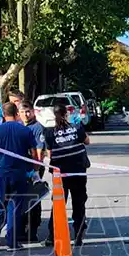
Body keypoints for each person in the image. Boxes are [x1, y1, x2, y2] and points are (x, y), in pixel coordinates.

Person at [0, 102, 38, 251]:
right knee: (14, 207)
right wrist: (34, 170)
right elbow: (34, 154)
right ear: (16, 113)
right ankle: (12, 243)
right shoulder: (25, 131)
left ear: (3, 114)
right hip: (19, 173)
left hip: (1, 173)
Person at [43, 103, 90, 247]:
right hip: (78, 171)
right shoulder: (77, 127)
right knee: (79, 203)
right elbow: (87, 141)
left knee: (58, 205)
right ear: (66, 114)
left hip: (60, 174)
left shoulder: (49, 132)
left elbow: (50, 153)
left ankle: (52, 236)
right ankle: (79, 235)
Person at [18, 99, 46, 242]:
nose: (26, 114)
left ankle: (33, 229)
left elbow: (39, 152)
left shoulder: (37, 128)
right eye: (22, 112)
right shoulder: (18, 125)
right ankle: (22, 228)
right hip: (21, 169)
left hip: (33, 169)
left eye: (28, 111)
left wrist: (35, 171)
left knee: (34, 199)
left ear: (33, 112)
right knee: (22, 198)